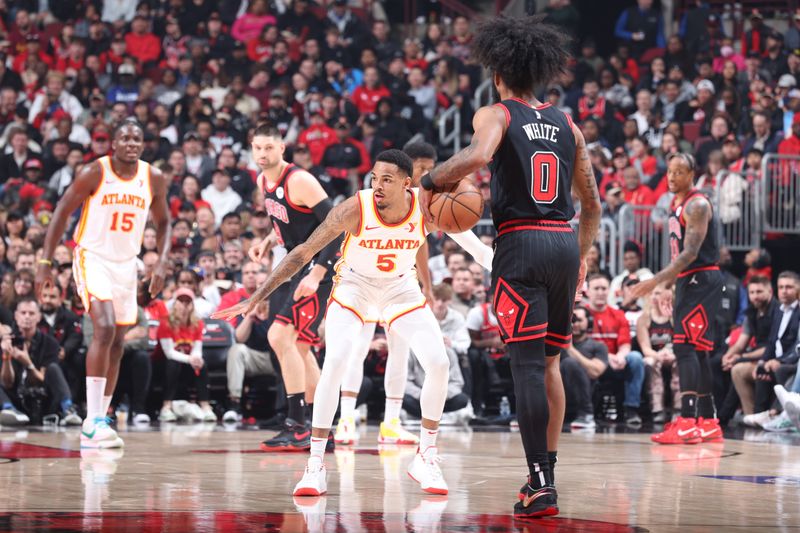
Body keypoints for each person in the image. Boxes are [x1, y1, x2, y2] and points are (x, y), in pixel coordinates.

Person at [417, 16, 602, 518]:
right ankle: (546, 474)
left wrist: (429, 183)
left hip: (520, 245)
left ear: (497, 72)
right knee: (549, 364)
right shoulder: (569, 124)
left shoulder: (495, 113)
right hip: (563, 244)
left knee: (523, 368)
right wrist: (581, 257)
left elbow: (478, 157)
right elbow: (593, 204)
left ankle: (540, 484)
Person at [214, 150, 454, 497]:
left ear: (406, 183)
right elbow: (302, 252)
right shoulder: (355, 207)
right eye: (374, 178)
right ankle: (315, 465)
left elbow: (466, 237)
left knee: (439, 362)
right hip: (354, 287)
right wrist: (257, 297)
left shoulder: (426, 205)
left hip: (401, 288)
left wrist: (493, 261)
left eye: (387, 179)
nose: (378, 185)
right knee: (336, 362)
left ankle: (426, 455)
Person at [332, 142, 491, 448]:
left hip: (398, 285)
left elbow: (418, 246)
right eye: (423, 168)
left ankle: (391, 421)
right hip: (362, 280)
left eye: (432, 168)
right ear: (408, 170)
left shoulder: (428, 203)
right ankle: (346, 419)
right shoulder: (379, 202)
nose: (428, 173)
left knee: (400, 351)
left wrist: (427, 289)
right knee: (357, 348)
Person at [36, 119, 170, 448]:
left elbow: (165, 221)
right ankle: (92, 420)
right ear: (112, 142)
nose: (131, 143)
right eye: (124, 137)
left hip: (127, 264)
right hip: (91, 256)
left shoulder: (152, 177)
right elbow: (61, 212)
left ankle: (100, 418)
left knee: (119, 342)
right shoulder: (95, 172)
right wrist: (45, 262)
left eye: (137, 138)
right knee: (106, 328)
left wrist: (162, 261)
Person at [244, 124, 341, 452]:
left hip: (317, 268)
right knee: (299, 347)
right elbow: (285, 222)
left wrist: (318, 273)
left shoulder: (299, 180)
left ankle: (296, 422)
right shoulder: (262, 180)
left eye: (268, 147)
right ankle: (320, 429)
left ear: (281, 148)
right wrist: (267, 241)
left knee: (279, 336)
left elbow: (336, 229)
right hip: (293, 265)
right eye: (257, 147)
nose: (262, 154)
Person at [630, 153, 724, 444]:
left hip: (701, 277)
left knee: (685, 347)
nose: (672, 177)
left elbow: (690, 253)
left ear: (692, 174)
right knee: (697, 350)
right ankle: (707, 422)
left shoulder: (696, 204)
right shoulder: (675, 203)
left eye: (679, 172)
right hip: (688, 280)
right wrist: (668, 285)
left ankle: (686, 420)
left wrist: (655, 281)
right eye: (669, 171)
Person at [0, 297, 82, 426]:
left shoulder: (50, 343)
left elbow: (44, 379)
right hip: (15, 397)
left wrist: (28, 364)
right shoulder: (8, 342)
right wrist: (6, 357)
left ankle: (68, 409)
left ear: (39, 317)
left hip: (43, 399)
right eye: (23, 313)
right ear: (16, 316)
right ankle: (8, 409)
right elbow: (7, 383)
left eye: (31, 313)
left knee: (54, 368)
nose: (27, 317)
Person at [157, 287, 215, 423]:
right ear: (174, 303)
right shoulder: (165, 322)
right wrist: (190, 359)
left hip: (186, 365)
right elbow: (169, 353)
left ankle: (205, 406)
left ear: (192, 305)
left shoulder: (197, 323)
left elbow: (197, 348)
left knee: (201, 364)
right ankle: (166, 407)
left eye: (187, 302)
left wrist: (196, 359)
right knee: (173, 364)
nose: (184, 305)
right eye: (181, 301)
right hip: (163, 365)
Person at [561, 306, 608, 430]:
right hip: (560, 395)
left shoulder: (598, 346)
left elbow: (596, 371)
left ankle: (586, 415)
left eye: (579, 320)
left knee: (569, 363)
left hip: (587, 394)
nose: (575, 324)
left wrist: (570, 349)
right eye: (572, 321)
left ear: (589, 322)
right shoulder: (556, 346)